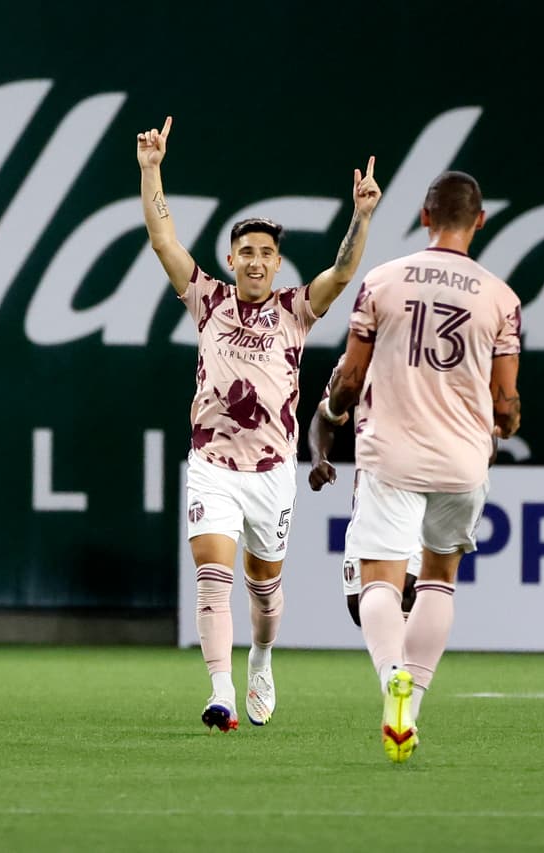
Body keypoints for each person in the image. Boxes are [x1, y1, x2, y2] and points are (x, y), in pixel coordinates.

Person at [137, 115, 381, 732]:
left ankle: (263, 658)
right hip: (212, 466)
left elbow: (344, 274)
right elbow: (165, 241)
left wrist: (362, 216)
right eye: (246, 250)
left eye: (266, 253)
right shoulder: (208, 299)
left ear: (276, 263)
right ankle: (220, 691)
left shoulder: (296, 310)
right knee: (212, 578)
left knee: (265, 593)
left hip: (272, 473)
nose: (255, 260)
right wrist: (151, 169)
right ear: (231, 257)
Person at [323, 170, 521, 762]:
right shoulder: (501, 297)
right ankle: (415, 695)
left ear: (425, 216)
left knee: (380, 580)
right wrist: (502, 423)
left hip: (392, 453)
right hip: (463, 460)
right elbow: (507, 402)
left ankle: (392, 680)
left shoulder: (382, 282)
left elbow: (351, 378)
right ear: (480, 221)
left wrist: (333, 408)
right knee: (438, 579)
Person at [306, 358, 421, 627]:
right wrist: (318, 458)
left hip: (421, 486)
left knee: (406, 588)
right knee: (360, 604)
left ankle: (405, 668)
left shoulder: (435, 355)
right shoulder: (356, 363)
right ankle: (394, 666)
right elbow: (325, 417)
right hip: (371, 493)